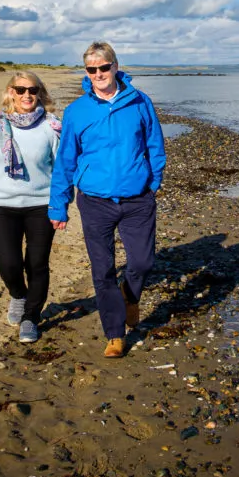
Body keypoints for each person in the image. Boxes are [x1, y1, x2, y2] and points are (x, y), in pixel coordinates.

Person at [48, 41, 165, 359]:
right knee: (102, 270)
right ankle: (115, 335)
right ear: (86, 72)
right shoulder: (77, 111)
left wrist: (152, 182)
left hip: (137, 200)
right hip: (95, 202)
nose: (99, 73)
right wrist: (59, 204)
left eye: (104, 67)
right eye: (92, 69)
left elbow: (155, 144)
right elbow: (66, 161)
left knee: (142, 262)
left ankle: (130, 296)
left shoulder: (140, 102)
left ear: (115, 66)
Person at [0, 72, 61, 344]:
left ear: (40, 93)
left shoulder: (52, 126)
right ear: (11, 93)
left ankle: (31, 317)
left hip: (41, 205)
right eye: (20, 90)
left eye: (33, 90)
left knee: (37, 264)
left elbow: (63, 168)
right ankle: (19, 295)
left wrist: (62, 203)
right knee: (8, 264)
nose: (27, 95)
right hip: (2, 206)